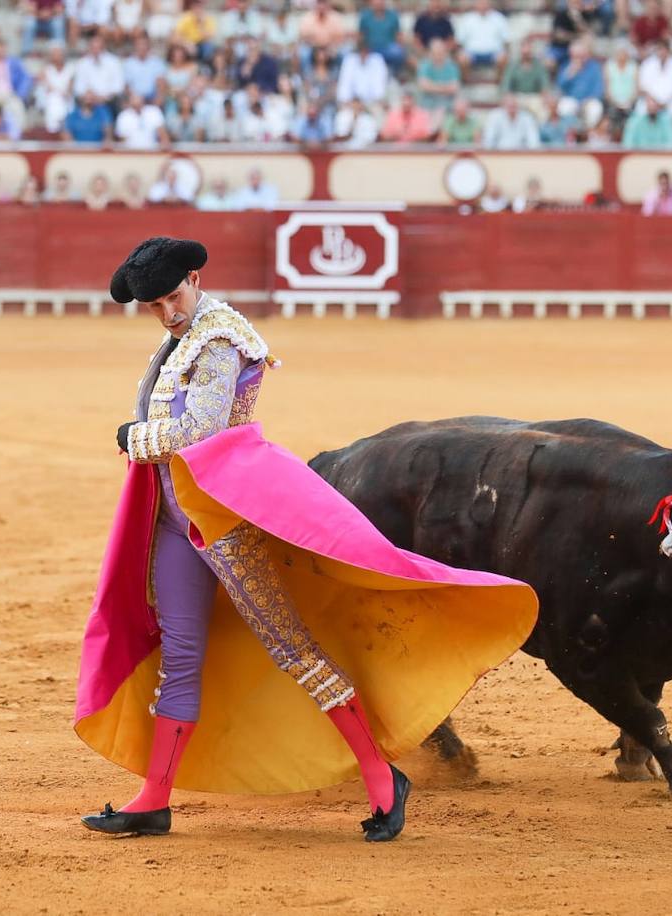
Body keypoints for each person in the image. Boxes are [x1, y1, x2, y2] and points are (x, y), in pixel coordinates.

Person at [76, 237, 535, 841]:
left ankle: (380, 775)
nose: (167, 311)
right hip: (175, 519)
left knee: (291, 646)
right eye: (154, 305)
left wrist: (134, 436)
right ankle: (154, 798)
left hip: (227, 520)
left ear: (194, 277)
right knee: (182, 653)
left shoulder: (217, 338)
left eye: (172, 296)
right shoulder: (179, 340)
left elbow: (200, 430)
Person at [456, 0, 507, 75]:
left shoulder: (499, 18)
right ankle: (467, 84)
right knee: (462, 58)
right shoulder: (467, 19)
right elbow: (459, 41)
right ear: (475, 4)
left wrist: (504, 52)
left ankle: (499, 85)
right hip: (472, 53)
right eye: (480, 3)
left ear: (489, 4)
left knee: (503, 58)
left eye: (485, 3)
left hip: (494, 52)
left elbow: (506, 40)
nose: (483, 6)